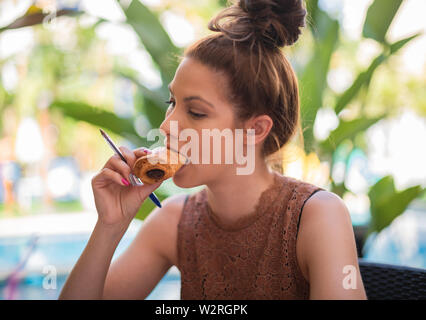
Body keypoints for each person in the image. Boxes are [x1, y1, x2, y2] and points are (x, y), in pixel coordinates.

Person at [59, 0, 367, 300]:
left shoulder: (317, 217)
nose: (166, 126)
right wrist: (109, 227)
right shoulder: (174, 223)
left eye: (195, 112)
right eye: (172, 103)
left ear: (255, 130)